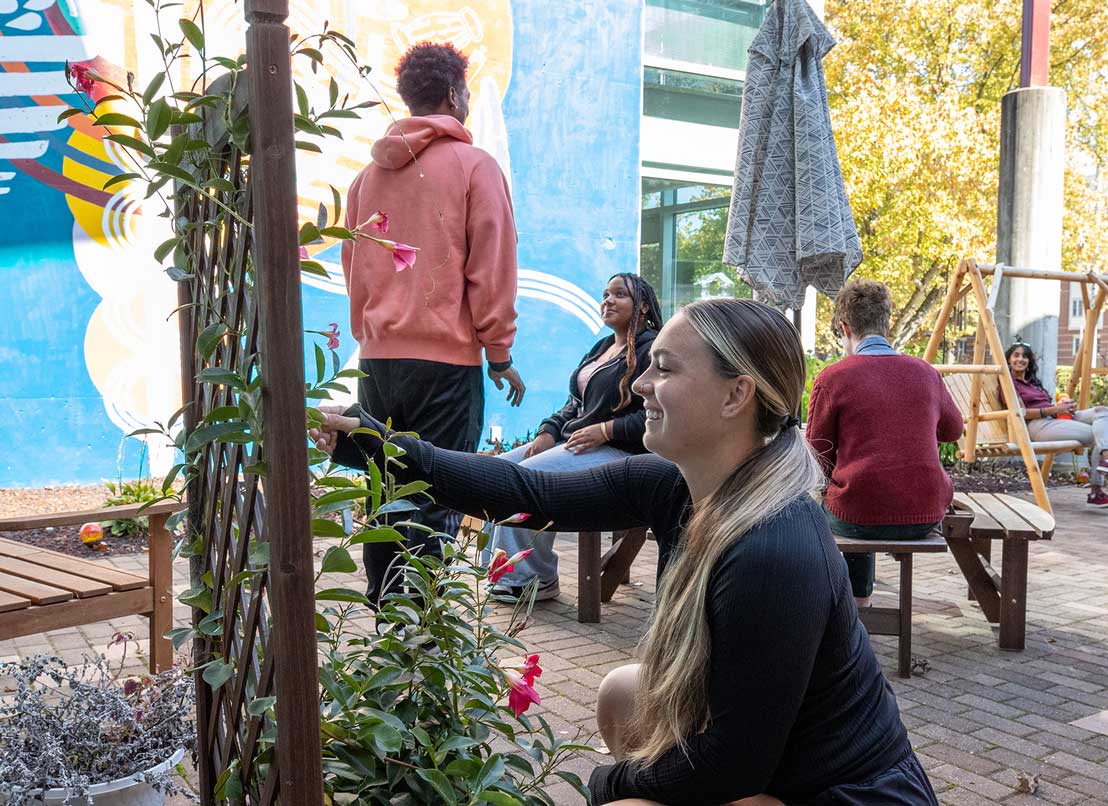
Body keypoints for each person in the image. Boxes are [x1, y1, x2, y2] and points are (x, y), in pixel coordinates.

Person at [312, 298, 937, 806]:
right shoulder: (681, 488)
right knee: (621, 693)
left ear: (735, 396)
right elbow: (527, 492)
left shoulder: (772, 548)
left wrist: (610, 783)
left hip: (849, 793)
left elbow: (732, 766)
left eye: (664, 367)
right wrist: (373, 442)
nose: (639, 383)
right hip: (769, 769)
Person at [341, 42, 525, 606]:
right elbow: (490, 263)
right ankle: (418, 636)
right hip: (445, 365)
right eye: (465, 90)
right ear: (452, 93)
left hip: (378, 362)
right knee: (437, 490)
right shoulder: (475, 167)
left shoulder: (366, 178)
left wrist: (373, 334)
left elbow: (355, 266)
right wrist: (499, 352)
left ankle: (386, 614)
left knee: (385, 488)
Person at [487, 273, 663, 601]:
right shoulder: (602, 347)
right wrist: (547, 431)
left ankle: (532, 579)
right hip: (578, 441)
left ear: (642, 307)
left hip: (624, 451)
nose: (607, 300)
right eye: (605, 294)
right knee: (495, 473)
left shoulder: (653, 349)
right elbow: (575, 405)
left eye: (619, 294)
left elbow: (661, 413)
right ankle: (501, 571)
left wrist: (607, 429)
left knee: (527, 478)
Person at [805, 280, 963, 607]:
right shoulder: (925, 372)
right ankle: (860, 602)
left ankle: (853, 605)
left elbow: (816, 455)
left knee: (841, 501)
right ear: (887, 325)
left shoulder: (834, 377)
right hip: (926, 512)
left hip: (858, 515)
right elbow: (953, 430)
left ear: (845, 327)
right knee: (861, 495)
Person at [1004, 341, 1108, 508]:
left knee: (1102, 412)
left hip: (1054, 420)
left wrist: (1065, 408)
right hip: (1037, 426)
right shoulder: (1009, 384)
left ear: (1029, 361)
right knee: (1099, 434)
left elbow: (1050, 406)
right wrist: (1054, 409)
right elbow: (1020, 412)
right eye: (1016, 355)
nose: (1020, 359)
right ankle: (1098, 488)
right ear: (1008, 360)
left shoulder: (1033, 383)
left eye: (1024, 356)